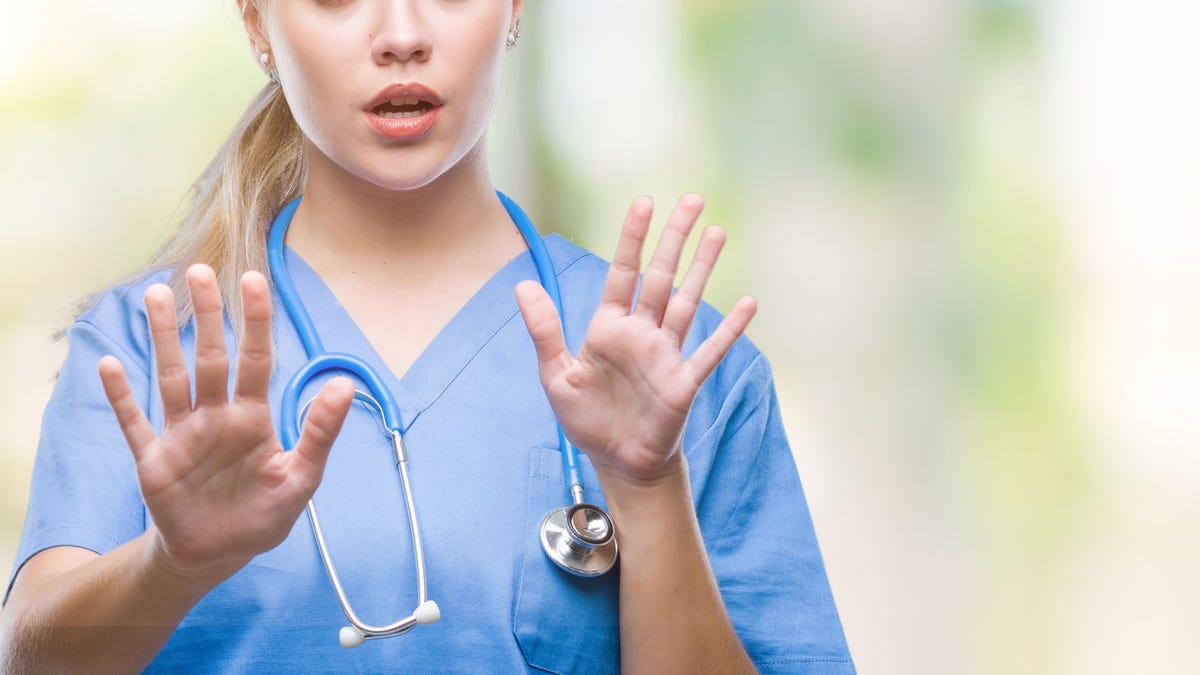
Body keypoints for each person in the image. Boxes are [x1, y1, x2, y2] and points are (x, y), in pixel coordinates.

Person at [0, 1, 854, 672]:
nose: (401, 35)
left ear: (515, 6)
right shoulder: (145, 350)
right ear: (258, 23)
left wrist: (648, 485)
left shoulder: (678, 367)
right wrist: (170, 564)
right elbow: (28, 659)